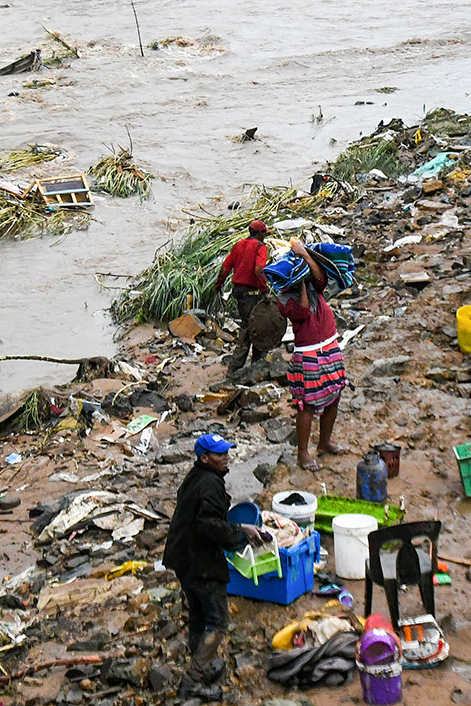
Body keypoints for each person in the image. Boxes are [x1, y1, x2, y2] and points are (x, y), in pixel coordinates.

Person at [164, 433, 263, 702]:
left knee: (198, 614)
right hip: (200, 563)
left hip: (181, 557)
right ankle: (192, 681)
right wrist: (240, 530)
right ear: (205, 458)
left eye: (227, 452)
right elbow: (207, 525)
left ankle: (203, 664)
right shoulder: (210, 485)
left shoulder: (195, 477)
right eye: (220, 454)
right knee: (218, 621)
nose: (226, 458)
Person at [276, 240, 348, 471]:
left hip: (329, 344)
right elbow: (304, 311)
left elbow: (321, 278)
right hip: (308, 353)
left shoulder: (314, 285)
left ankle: (324, 442)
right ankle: (303, 453)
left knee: (335, 395)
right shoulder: (284, 298)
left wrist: (305, 255)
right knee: (306, 405)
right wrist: (300, 284)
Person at [214, 220, 271, 371]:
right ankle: (237, 366)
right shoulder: (260, 247)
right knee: (250, 327)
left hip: (239, 292)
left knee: (252, 325)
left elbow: (224, 268)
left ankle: (256, 362)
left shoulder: (238, 245)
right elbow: (259, 270)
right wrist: (265, 291)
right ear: (260, 233)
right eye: (265, 233)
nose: (265, 236)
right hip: (252, 293)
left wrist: (218, 286)